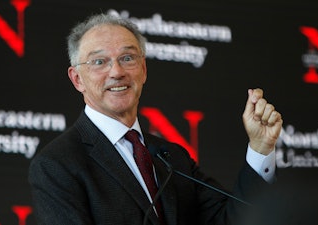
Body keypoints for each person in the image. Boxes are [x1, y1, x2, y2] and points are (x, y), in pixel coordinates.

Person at [28, 13, 283, 225]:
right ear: (77, 79)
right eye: (99, 62)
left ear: (144, 70)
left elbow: (235, 219)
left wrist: (260, 148)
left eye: (127, 58)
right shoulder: (56, 165)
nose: (116, 72)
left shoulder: (172, 158)